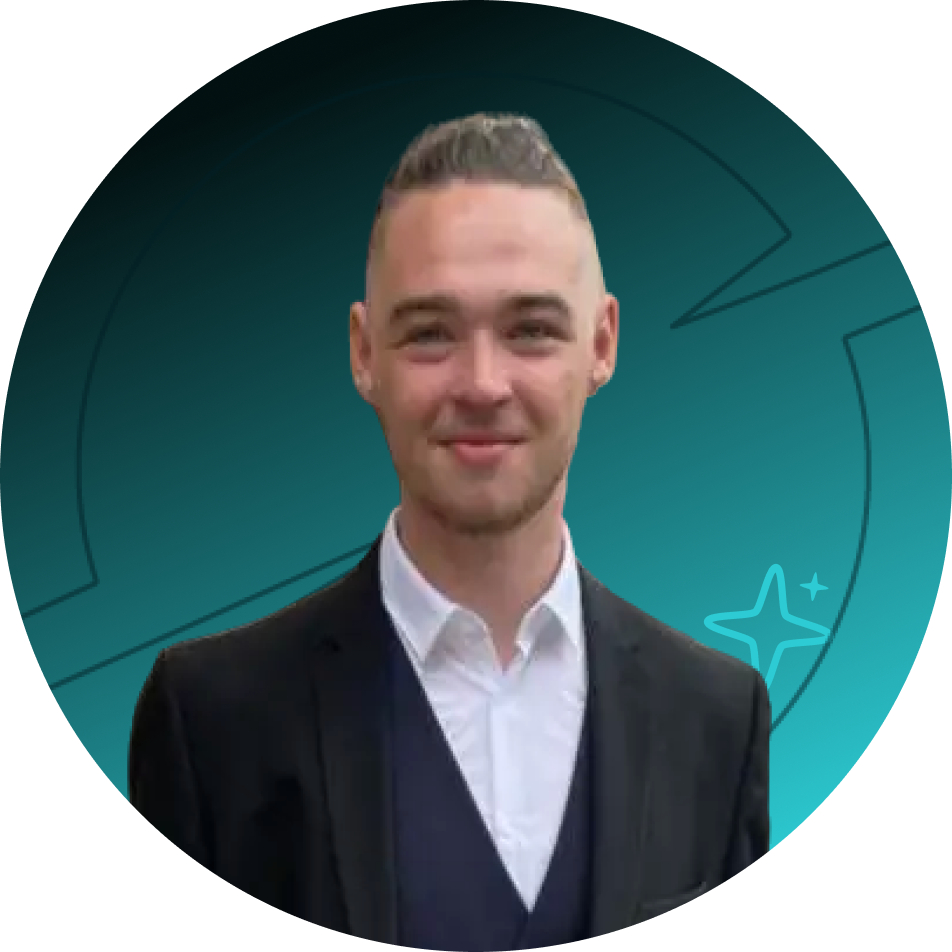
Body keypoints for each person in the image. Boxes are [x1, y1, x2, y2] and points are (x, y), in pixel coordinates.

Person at [128, 112, 770, 945]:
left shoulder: (718, 716)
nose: (482, 383)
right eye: (430, 333)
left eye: (531, 330)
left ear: (602, 344)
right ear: (364, 353)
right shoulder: (210, 722)